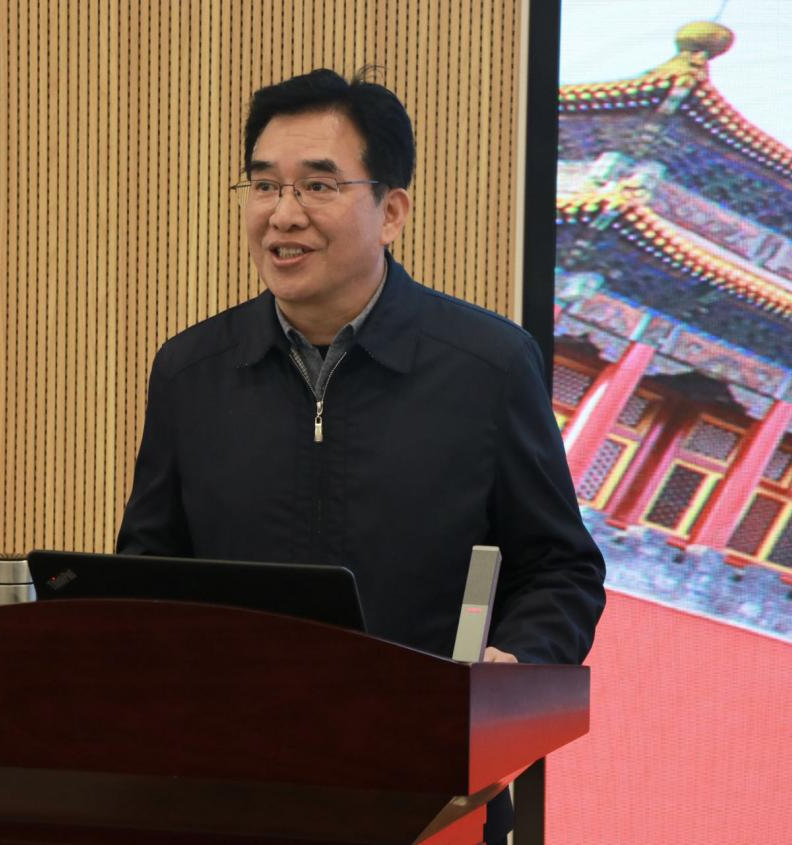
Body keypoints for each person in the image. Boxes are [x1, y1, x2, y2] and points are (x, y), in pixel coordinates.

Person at [117, 67, 605, 842]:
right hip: (227, 793)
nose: (283, 214)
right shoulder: (191, 370)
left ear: (392, 212)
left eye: (318, 186)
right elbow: (147, 568)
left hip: (427, 795)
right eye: (263, 186)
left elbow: (559, 566)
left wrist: (511, 666)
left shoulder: (486, 365)